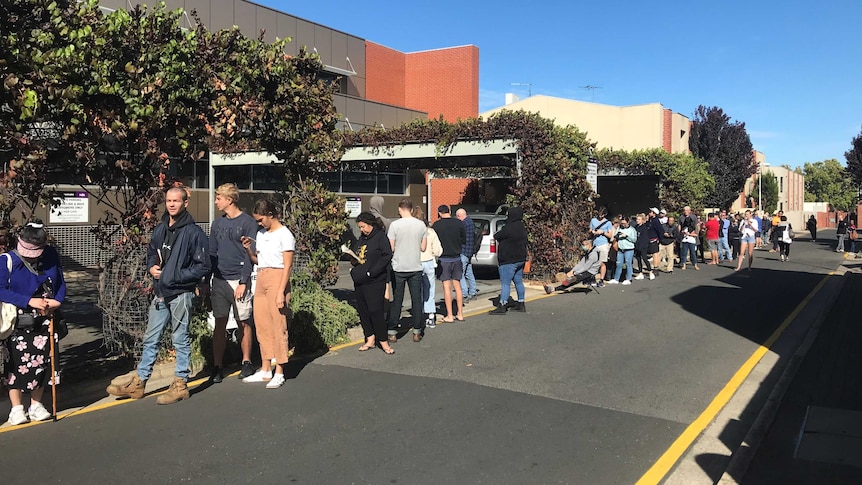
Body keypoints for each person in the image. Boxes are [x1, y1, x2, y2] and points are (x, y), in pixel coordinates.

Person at [107, 186, 210, 404]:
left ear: (185, 203)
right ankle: (140, 382)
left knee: (180, 338)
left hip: (181, 293)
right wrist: (152, 266)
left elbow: (202, 267)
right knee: (150, 338)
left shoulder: (194, 233)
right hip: (161, 292)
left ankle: (180, 383)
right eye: (169, 200)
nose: (172, 204)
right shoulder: (161, 228)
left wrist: (175, 276)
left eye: (176, 201)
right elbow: (152, 251)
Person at [0, 221, 66, 425]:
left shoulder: (51, 255)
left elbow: (60, 282)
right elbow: (1, 290)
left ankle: (36, 405)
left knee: (44, 361)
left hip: (46, 316)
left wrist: (57, 301)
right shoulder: (7, 260)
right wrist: (29, 301)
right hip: (17, 319)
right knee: (16, 364)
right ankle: (16, 409)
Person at [207, 183, 259, 383]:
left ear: (229, 200)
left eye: (218, 197)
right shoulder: (217, 224)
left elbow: (250, 255)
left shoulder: (247, 223)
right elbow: (212, 252)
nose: (215, 201)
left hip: (239, 278)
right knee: (219, 323)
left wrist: (244, 282)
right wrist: (207, 281)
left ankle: (246, 362)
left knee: (243, 321)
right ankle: (218, 366)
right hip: (219, 280)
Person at [239, 199, 294, 388]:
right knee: (261, 324)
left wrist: (281, 291)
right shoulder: (261, 234)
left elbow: (287, 265)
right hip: (261, 277)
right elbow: (257, 260)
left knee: (278, 325)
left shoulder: (285, 234)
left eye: (261, 219)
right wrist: (248, 249)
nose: (259, 223)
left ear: (270, 215)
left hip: (277, 278)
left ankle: (279, 371)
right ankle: (265, 369)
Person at [350, 212, 394, 354]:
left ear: (370, 224)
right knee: (363, 311)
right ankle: (370, 338)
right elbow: (358, 253)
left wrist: (372, 272)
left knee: (375, 310)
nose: (362, 230)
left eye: (363, 227)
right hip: (360, 279)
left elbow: (387, 256)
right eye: (360, 227)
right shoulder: (362, 238)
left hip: (375, 280)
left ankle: (383, 341)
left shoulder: (380, 237)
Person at [387, 199, 427, 343]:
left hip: (399, 267)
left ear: (400, 209)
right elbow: (423, 248)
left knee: (397, 299)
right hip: (415, 266)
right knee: (416, 299)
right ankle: (417, 331)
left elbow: (391, 248)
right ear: (411, 209)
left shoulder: (394, 225)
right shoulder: (421, 225)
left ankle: (392, 331)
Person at [489, 207, 528, 314]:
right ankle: (521, 303)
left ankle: (502, 305)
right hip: (520, 259)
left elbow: (497, 235)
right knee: (518, 281)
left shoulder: (509, 228)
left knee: (505, 283)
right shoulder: (522, 227)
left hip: (508, 260)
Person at [432, 205, 466, 323]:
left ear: (439, 213)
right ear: (449, 211)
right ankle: (460, 313)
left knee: (446, 287)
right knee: (458, 286)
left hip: (444, 259)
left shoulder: (436, 225)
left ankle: (450, 315)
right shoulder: (459, 223)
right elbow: (464, 240)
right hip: (457, 257)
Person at [413, 206, 442, 329]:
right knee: (429, 290)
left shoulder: (412, 232)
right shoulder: (430, 232)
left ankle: (418, 316)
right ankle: (431, 315)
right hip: (429, 262)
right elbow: (438, 250)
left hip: (415, 262)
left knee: (416, 291)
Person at [455, 208, 478, 302]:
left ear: (459, 216)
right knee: (469, 273)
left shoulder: (464, 224)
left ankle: (463, 294)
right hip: (469, 252)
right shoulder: (470, 222)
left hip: (463, 251)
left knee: (460, 274)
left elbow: (460, 237)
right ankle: (472, 292)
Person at [608, 215, 636, 284]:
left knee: (628, 264)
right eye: (622, 223)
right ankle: (616, 278)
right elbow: (615, 235)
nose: (623, 225)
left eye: (624, 223)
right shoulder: (619, 228)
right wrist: (616, 236)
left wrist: (626, 236)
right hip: (620, 249)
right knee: (619, 264)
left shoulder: (632, 230)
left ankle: (628, 279)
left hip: (629, 249)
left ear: (628, 222)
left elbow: (634, 240)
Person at [589, 207, 613, 287]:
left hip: (603, 244)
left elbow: (610, 235)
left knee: (602, 262)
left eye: (602, 215)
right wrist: (593, 232)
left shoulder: (608, 223)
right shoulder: (593, 220)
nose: (600, 216)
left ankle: (601, 280)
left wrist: (603, 232)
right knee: (593, 262)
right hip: (595, 243)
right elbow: (590, 230)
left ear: (605, 214)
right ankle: (593, 278)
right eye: (599, 214)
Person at [633, 213, 654, 280]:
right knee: (638, 260)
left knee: (644, 259)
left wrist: (643, 246)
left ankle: (650, 271)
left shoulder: (644, 227)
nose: (637, 220)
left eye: (639, 219)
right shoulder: (636, 227)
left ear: (642, 220)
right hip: (637, 246)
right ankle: (640, 272)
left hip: (643, 246)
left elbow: (645, 238)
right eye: (637, 219)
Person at [679, 206, 700, 270]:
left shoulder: (693, 217)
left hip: (692, 238)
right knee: (684, 252)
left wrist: (696, 233)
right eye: (684, 210)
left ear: (689, 211)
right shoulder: (681, 217)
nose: (685, 212)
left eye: (687, 210)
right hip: (684, 238)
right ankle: (684, 264)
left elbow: (697, 226)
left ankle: (695, 264)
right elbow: (679, 225)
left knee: (693, 252)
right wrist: (680, 232)